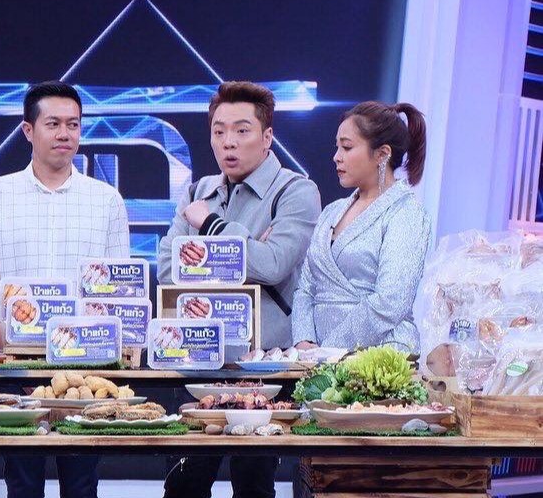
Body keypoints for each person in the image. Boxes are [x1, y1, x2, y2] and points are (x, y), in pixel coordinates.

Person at [159, 81, 321, 498]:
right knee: (183, 486)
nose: (228, 142)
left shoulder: (296, 191)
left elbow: (274, 264)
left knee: (253, 486)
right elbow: (167, 269)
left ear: (267, 137)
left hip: (262, 367)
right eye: (219, 131)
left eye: (242, 130)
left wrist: (208, 228)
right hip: (199, 361)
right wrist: (243, 250)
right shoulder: (197, 191)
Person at [0, 81, 129, 498]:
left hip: (85, 367)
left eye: (73, 125)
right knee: (22, 483)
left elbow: (118, 291)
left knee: (82, 484)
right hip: (14, 363)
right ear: (28, 130)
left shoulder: (106, 200)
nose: (65, 134)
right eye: (53, 124)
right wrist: (7, 347)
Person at [292, 101, 431, 353]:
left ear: (382, 154)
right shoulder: (331, 211)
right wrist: (305, 341)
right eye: (337, 147)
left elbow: (390, 302)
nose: (336, 156)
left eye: (346, 147)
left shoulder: (406, 213)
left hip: (380, 357)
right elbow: (306, 287)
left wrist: (329, 351)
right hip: (316, 360)